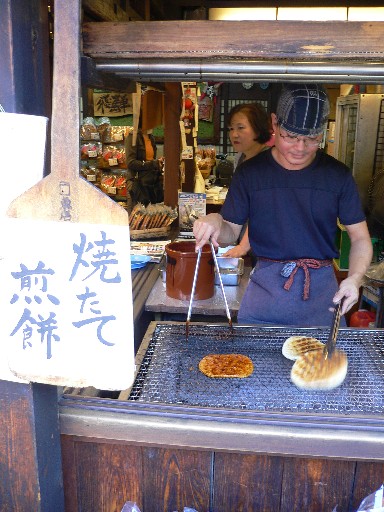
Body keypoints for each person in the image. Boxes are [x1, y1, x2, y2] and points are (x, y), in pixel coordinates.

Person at [193, 84, 373, 326]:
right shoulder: (250, 174)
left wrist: (355, 278)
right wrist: (216, 221)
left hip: (321, 295)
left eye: (312, 139)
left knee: (319, 363)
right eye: (291, 137)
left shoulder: (337, 176)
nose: (300, 148)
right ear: (275, 124)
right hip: (265, 293)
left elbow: (360, 238)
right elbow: (229, 232)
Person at [222, 102, 272, 260]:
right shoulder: (240, 158)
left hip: (266, 247)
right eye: (231, 128)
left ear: (258, 128)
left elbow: (266, 210)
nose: (234, 134)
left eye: (240, 127)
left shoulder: (269, 162)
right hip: (246, 244)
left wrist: (244, 245)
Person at [125, 125, 164, 206]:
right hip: (137, 182)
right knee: (136, 215)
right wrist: (153, 163)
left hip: (150, 182)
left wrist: (158, 163)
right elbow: (130, 163)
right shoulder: (133, 137)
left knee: (150, 215)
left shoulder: (151, 137)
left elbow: (151, 159)